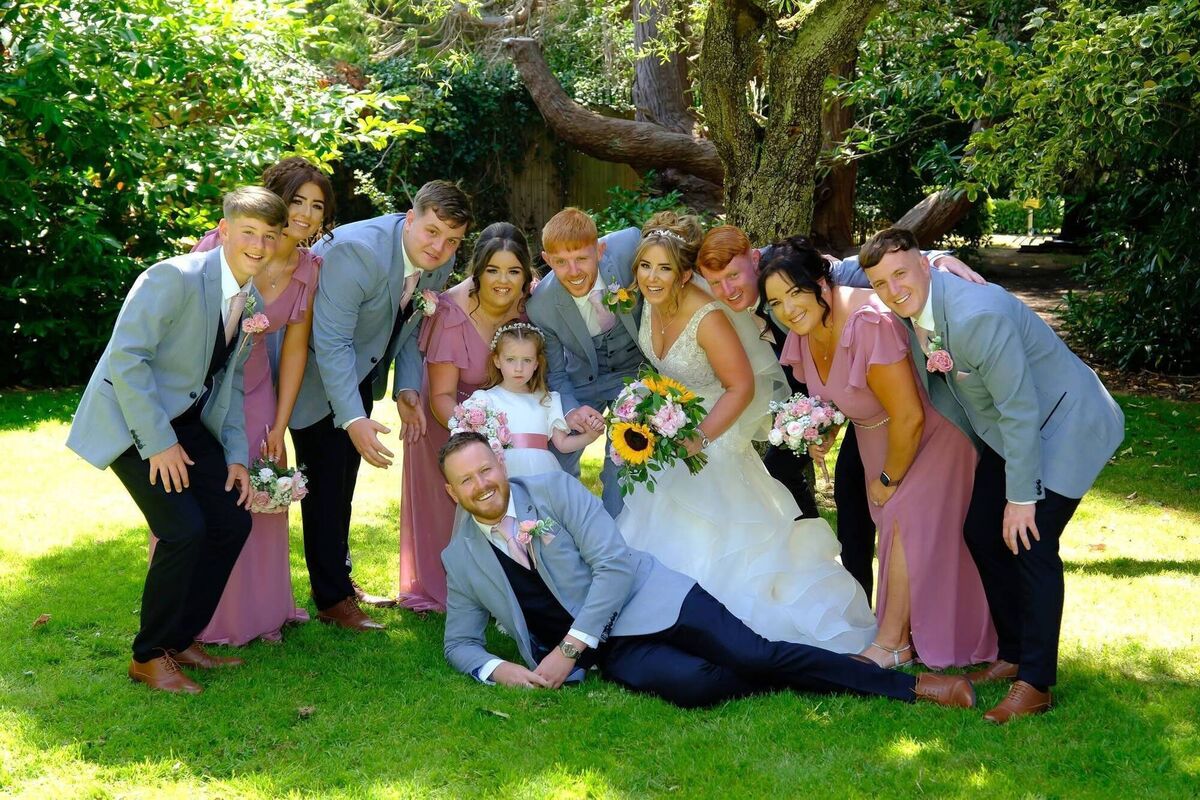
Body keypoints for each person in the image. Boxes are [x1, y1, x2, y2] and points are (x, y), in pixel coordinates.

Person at [437, 432, 977, 710]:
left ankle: (914, 688)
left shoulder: (552, 490)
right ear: (451, 492)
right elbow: (459, 642)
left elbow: (615, 565)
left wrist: (569, 650)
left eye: (486, 469)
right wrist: (497, 670)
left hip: (653, 598)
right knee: (695, 689)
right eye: (467, 481)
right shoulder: (459, 557)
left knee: (755, 653)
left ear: (501, 464)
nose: (482, 485)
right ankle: (802, 675)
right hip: (616, 650)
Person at [860, 227, 1125, 722]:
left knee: (1031, 543)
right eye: (880, 283)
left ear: (923, 266)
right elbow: (851, 267)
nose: (892, 290)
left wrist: (1023, 498)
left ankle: (1036, 683)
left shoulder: (977, 317)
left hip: (1063, 424)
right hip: (1012, 432)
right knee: (982, 531)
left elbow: (1020, 408)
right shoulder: (915, 288)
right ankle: (1012, 654)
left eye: (901, 274)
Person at [615, 213, 877, 652]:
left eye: (664, 267)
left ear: (683, 273)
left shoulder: (709, 315)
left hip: (711, 436)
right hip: (670, 433)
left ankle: (713, 620)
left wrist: (698, 438)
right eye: (645, 266)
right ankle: (657, 616)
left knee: (722, 535)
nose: (652, 276)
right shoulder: (650, 301)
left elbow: (742, 386)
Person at [66, 186, 287, 692]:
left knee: (231, 521)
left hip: (186, 422)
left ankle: (180, 638)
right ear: (225, 231)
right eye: (248, 232)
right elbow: (127, 360)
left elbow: (227, 382)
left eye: (269, 236)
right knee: (183, 528)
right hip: (131, 420)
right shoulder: (173, 277)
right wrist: (159, 443)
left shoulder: (249, 298)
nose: (258, 244)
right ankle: (148, 656)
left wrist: (234, 456)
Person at [696, 225, 985, 600]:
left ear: (755, 261)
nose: (727, 289)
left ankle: (872, 596)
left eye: (734, 276)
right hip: (825, 399)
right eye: (715, 282)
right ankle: (833, 581)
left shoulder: (795, 270)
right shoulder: (722, 300)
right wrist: (818, 425)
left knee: (856, 493)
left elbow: (865, 266)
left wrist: (933, 258)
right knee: (787, 472)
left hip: (881, 396)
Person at [759, 239, 997, 670]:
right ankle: (933, 633)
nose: (788, 309)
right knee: (901, 534)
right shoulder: (805, 332)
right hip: (876, 439)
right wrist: (825, 430)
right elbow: (841, 393)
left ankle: (891, 643)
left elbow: (909, 416)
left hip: (930, 438)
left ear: (821, 282)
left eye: (796, 292)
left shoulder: (867, 322)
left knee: (903, 524)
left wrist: (888, 479)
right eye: (776, 302)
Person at [289, 180, 473, 630]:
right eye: (431, 232)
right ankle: (332, 600)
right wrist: (351, 418)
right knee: (327, 486)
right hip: (310, 380)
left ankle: (338, 578)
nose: (440, 247)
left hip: (359, 378)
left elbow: (411, 323)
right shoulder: (358, 252)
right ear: (410, 217)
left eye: (452, 240)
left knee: (342, 485)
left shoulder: (438, 258)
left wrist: (406, 388)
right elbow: (329, 343)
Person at [177, 157, 333, 645]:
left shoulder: (310, 267)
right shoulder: (224, 246)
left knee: (262, 496)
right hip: (203, 390)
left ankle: (262, 614)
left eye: (317, 206)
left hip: (259, 391)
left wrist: (280, 425)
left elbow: (293, 349)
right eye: (297, 201)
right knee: (202, 494)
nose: (306, 214)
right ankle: (196, 617)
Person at [396, 222, 535, 612]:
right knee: (450, 510)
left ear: (526, 275)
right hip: (447, 421)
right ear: (477, 272)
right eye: (492, 270)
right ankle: (449, 591)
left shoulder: (528, 304)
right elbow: (440, 395)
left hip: (503, 427)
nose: (502, 281)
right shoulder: (452, 313)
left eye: (513, 271)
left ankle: (507, 585)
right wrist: (472, 436)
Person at [525, 208, 644, 516]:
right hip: (581, 381)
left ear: (599, 250)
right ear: (547, 259)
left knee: (621, 460)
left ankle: (618, 537)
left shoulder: (629, 248)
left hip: (635, 374)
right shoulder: (541, 307)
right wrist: (572, 409)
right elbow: (557, 374)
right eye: (561, 262)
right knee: (553, 459)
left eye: (582, 258)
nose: (573, 270)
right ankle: (560, 533)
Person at [466, 322, 601, 478]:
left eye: (527, 360)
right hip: (502, 472)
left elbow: (563, 445)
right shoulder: (485, 400)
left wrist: (590, 436)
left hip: (542, 471)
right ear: (497, 360)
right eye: (510, 359)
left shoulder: (547, 400)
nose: (518, 368)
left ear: (536, 363)